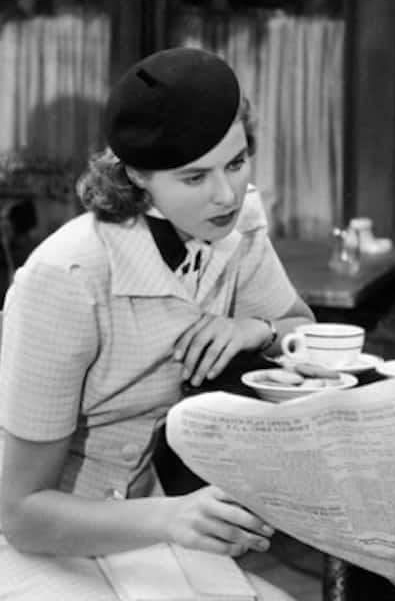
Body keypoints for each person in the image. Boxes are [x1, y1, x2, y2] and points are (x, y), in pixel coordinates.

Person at [0, 47, 314, 600]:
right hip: (41, 540)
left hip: (151, 522)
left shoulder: (234, 226)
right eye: (194, 178)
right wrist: (170, 519)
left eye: (237, 163)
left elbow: (297, 324)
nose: (226, 193)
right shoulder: (69, 276)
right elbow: (20, 512)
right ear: (137, 177)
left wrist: (255, 329)